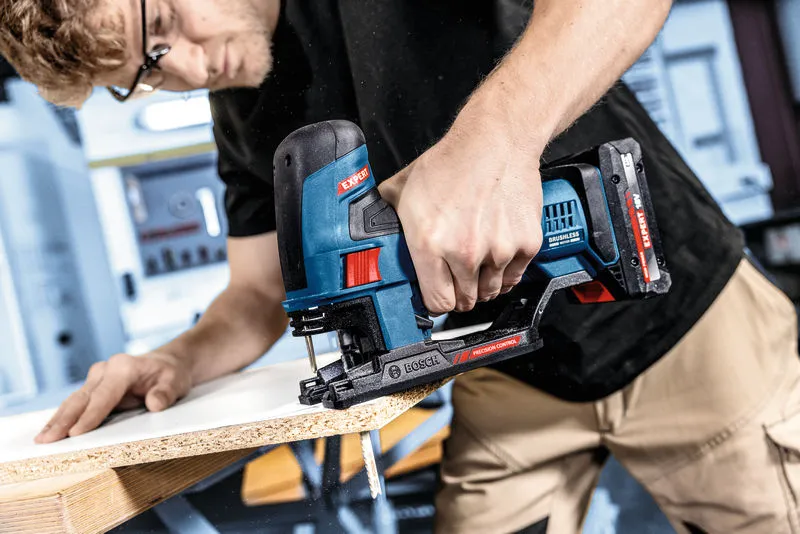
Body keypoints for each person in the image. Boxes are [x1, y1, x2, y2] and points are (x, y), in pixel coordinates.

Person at [2, 1, 799, 532]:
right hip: (511, 377)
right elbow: (254, 294)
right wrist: (172, 360)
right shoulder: (243, 111)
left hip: (688, 331)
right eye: (141, 74)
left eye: (165, 23)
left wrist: (496, 138)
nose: (181, 66)